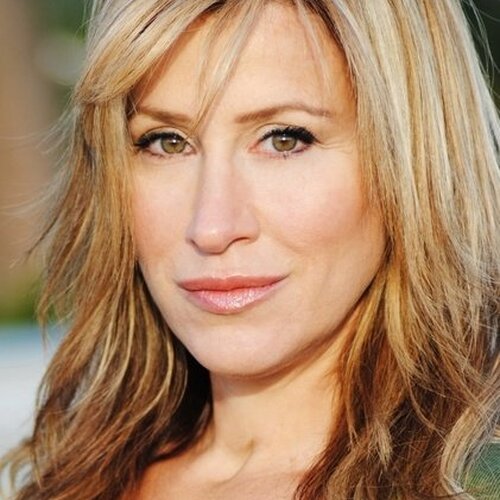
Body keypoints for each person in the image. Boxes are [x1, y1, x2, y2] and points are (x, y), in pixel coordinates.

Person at [1, 0, 499, 498]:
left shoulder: (478, 483)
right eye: (166, 142)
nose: (212, 227)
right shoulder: (65, 481)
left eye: (284, 140)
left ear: (412, 160)